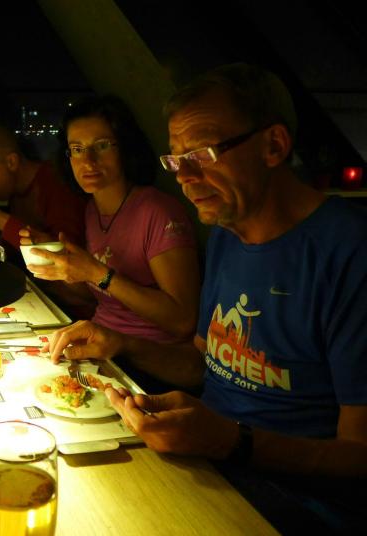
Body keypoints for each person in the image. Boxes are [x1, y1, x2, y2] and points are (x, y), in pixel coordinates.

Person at [48, 64, 367, 532]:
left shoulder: (349, 252)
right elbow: (203, 364)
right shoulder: (226, 234)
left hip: (297, 501)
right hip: (211, 462)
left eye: (203, 153)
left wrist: (231, 442)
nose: (185, 176)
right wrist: (121, 343)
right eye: (176, 159)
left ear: (274, 145)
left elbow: (359, 456)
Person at [25, 96, 199, 391]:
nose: (88, 161)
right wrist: (64, 265)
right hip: (102, 350)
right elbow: (99, 295)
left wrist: (96, 272)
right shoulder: (92, 210)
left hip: (148, 365)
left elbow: (182, 320)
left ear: (125, 148)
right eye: (77, 149)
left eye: (102, 145)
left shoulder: (157, 211)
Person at [0, 123, 93, 317]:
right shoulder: (16, 192)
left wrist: (2, 222)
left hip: (71, 311)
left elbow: (68, 255)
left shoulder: (55, 185)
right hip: (41, 298)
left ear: (11, 162)